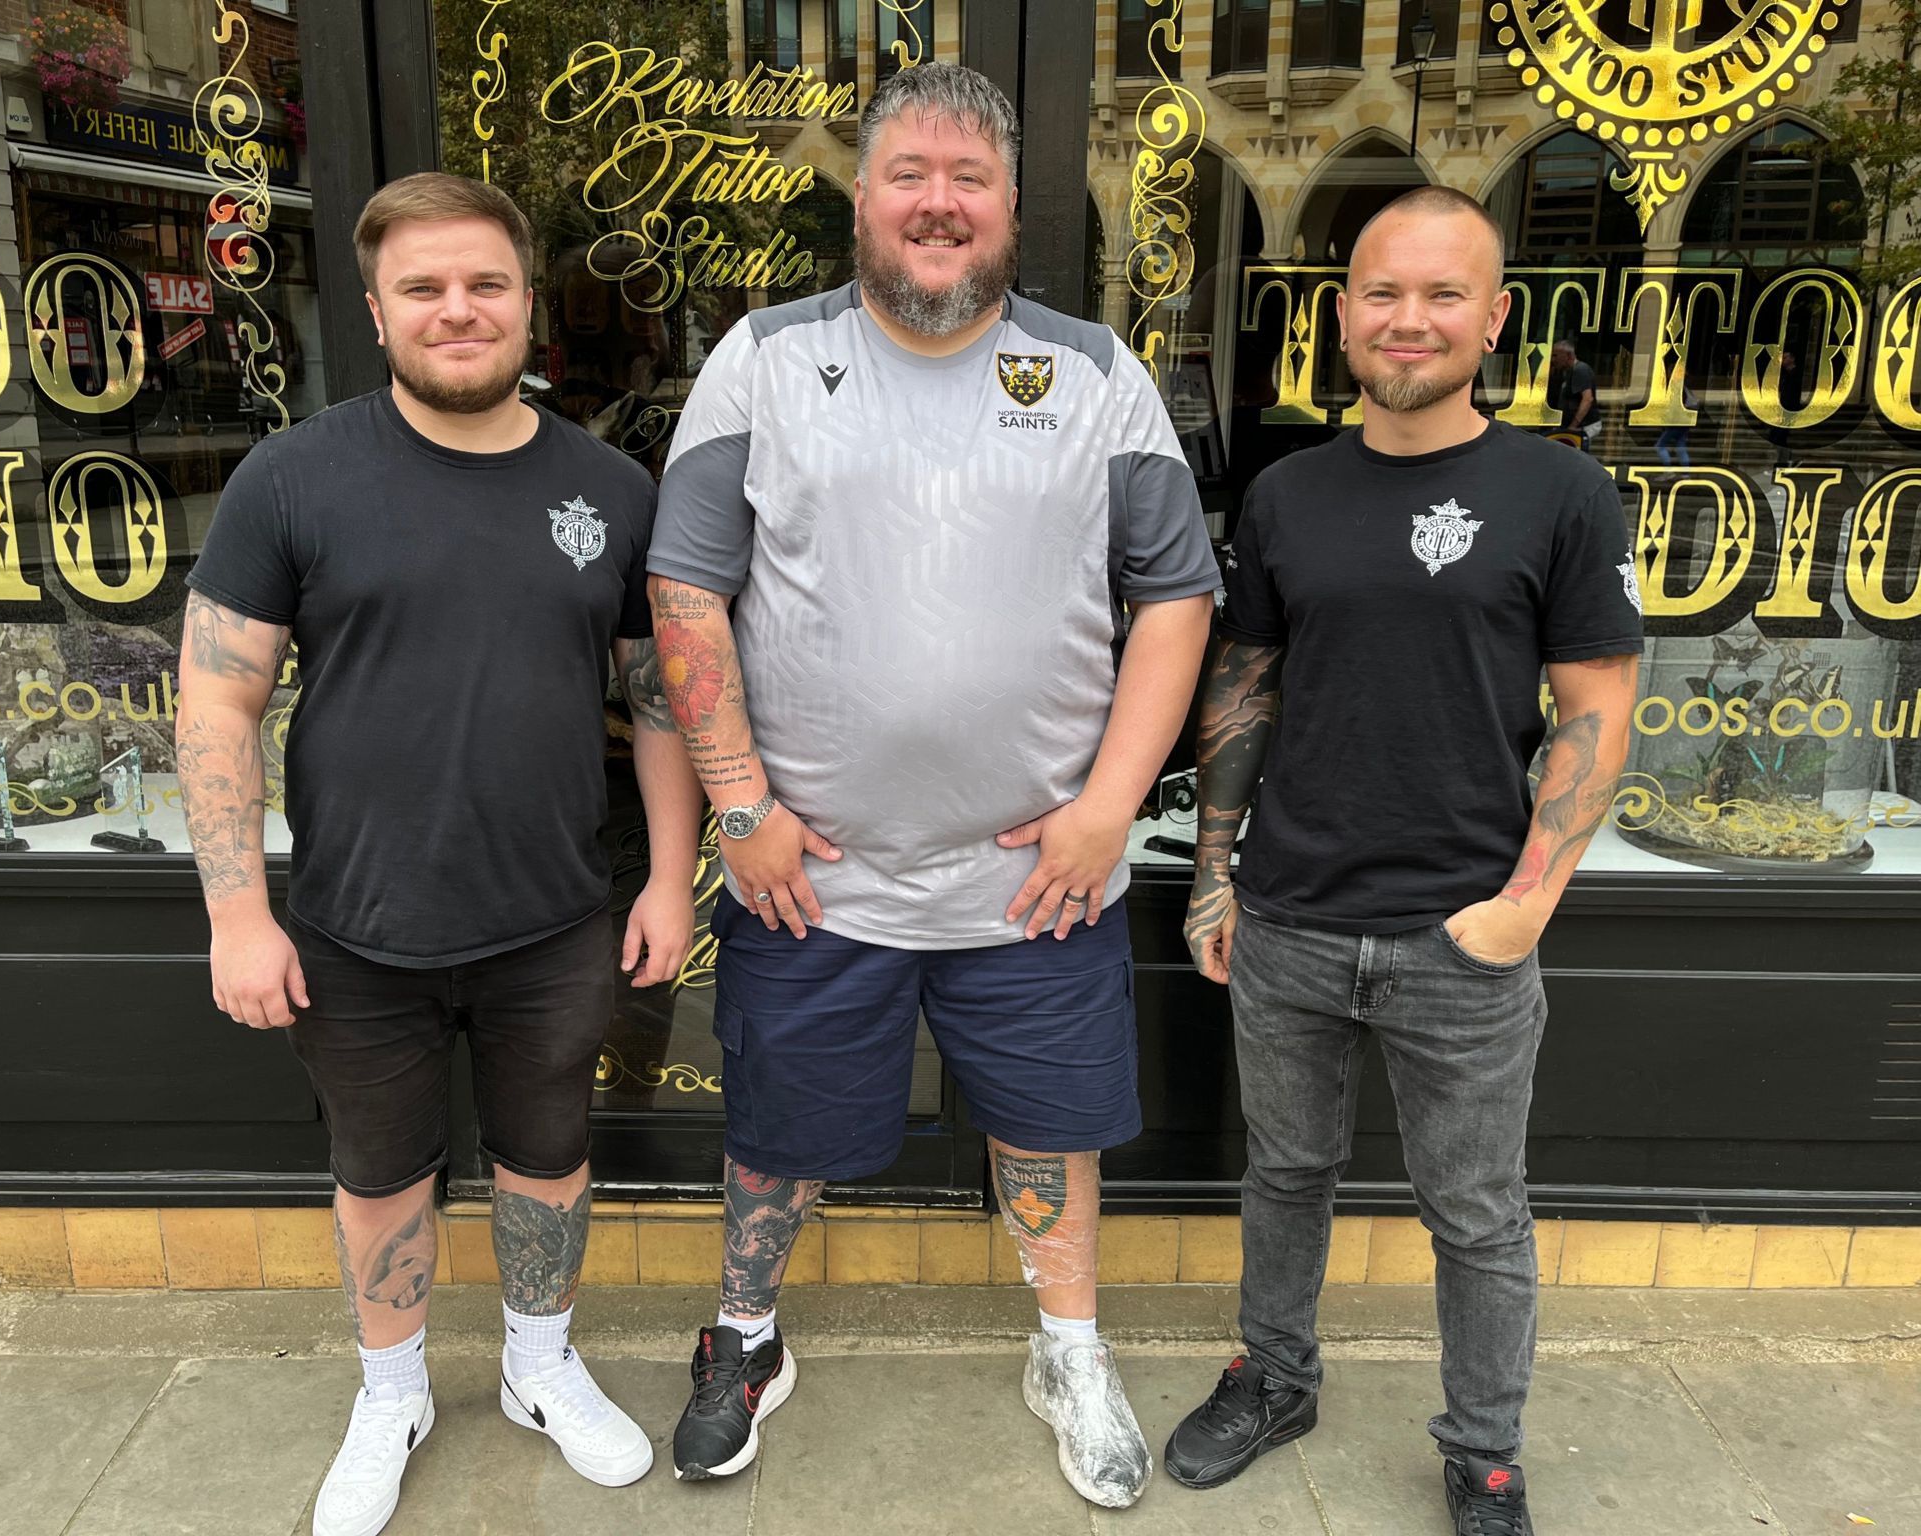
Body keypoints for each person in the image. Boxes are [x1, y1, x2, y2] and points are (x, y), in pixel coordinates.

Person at [644, 61, 1219, 1510]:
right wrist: (742, 807)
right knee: (777, 1129)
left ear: (1013, 208)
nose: (939, 205)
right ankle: (749, 1340)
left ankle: (1069, 1348)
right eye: (910, 175)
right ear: (863, 196)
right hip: (813, 871)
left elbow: (1177, 600)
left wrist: (1112, 808)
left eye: (970, 179)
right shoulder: (763, 361)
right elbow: (683, 592)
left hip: (1035, 874)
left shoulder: (1095, 376)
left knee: (1050, 1125)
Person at [175, 172, 703, 1536]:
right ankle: (392, 1389)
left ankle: (538, 1368)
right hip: (356, 925)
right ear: (376, 311)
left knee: (549, 1156)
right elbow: (217, 700)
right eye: (424, 288)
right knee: (381, 1176)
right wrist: (240, 912)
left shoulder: (606, 488)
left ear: (532, 306)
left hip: (551, 917)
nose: (457, 310)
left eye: (485, 284)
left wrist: (662, 878)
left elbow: (658, 703)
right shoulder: (294, 476)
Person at [1167, 186, 1643, 1536]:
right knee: (1285, 1174)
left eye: (1444, 295)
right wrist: (1216, 869)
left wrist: (1523, 906)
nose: (1409, 320)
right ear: (1341, 314)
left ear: (1493, 320)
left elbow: (1597, 708)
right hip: (1294, 916)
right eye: (1383, 292)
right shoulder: (1288, 491)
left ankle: (1484, 1450)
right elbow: (1245, 690)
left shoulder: (1557, 489)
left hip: (1464, 933)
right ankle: (1276, 1378)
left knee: (1478, 1212)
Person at [1550, 337, 1601, 450]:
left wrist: (1573, 427)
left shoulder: (1580, 370)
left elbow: (1587, 399)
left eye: (1556, 356)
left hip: (1583, 426)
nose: (1553, 360)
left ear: (1568, 356)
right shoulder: (1567, 372)